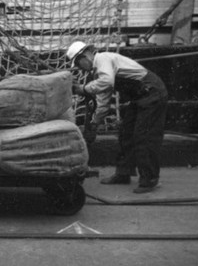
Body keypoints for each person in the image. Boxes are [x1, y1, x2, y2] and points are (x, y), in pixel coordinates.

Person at [66, 41, 168, 193]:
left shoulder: (102, 59)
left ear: (85, 56)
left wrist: (84, 89)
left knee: (143, 136)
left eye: (79, 64)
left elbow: (106, 82)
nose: (80, 69)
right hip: (140, 96)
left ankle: (150, 179)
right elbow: (103, 103)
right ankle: (123, 173)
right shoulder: (99, 72)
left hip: (152, 93)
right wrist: (95, 124)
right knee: (126, 133)